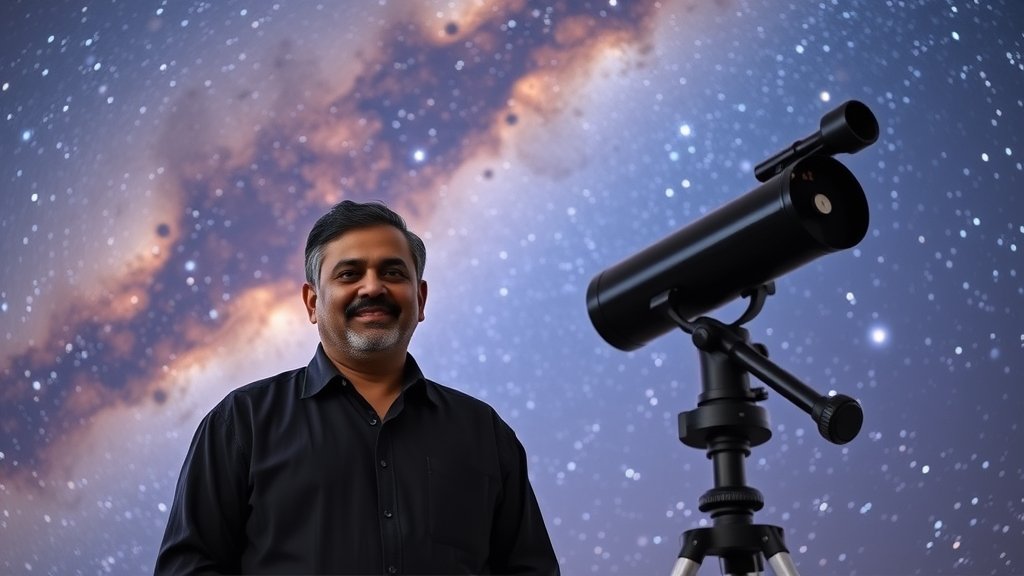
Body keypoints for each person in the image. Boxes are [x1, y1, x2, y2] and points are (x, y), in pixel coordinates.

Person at [155, 200, 559, 575]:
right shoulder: (241, 423)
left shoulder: (483, 432)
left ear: (420, 298)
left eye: (393, 272)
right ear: (312, 302)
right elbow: (189, 567)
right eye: (349, 274)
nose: (372, 288)